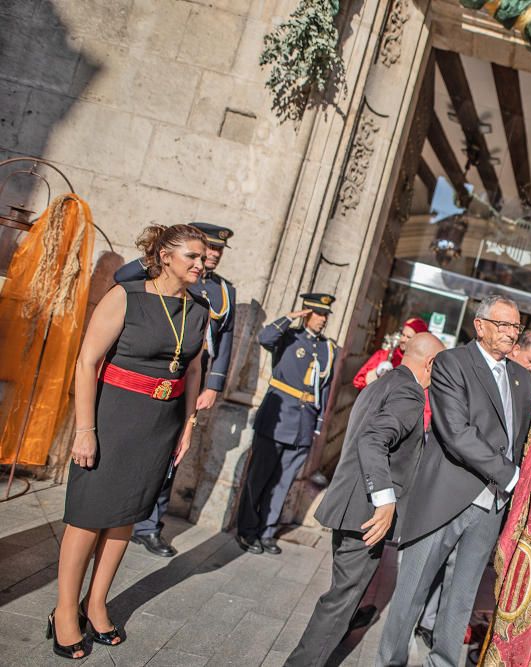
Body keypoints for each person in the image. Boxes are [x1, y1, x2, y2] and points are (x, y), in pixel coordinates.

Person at [52, 224, 209, 659]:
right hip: (114, 417)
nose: (202, 264)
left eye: (204, 257)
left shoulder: (199, 308)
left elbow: (193, 369)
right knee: (88, 515)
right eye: (193, 256)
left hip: (161, 424)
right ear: (165, 257)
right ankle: (65, 610)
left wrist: (188, 423)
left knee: (126, 515)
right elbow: (87, 362)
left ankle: (95, 603)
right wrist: (85, 429)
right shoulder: (127, 295)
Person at [376, 295, 531, 667]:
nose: (511, 333)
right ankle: (389, 662)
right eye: (503, 325)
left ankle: (444, 662)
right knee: (411, 594)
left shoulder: (522, 378)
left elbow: (524, 437)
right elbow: (456, 433)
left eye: (516, 326)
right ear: (480, 326)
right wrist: (512, 475)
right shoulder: (452, 363)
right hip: (446, 498)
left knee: (461, 599)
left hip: (491, 506)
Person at [286, 333, 445, 666]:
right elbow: (373, 440)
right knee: (341, 600)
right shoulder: (410, 393)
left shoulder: (385, 382)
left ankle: (344, 626)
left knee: (345, 593)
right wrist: (385, 501)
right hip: (367, 512)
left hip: (350, 504)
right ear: (430, 363)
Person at [410, 326, 531, 650]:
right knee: (430, 563)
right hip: (457, 485)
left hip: (491, 497)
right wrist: (510, 476)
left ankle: (433, 626)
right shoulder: (471, 371)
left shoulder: (521, 386)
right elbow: (462, 432)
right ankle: (413, 625)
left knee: (460, 574)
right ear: (514, 349)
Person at [115, 222, 237, 558]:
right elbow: (121, 278)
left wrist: (214, 384)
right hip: (155, 368)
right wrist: (159, 253)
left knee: (172, 452)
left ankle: (149, 525)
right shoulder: (162, 273)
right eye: (204, 250)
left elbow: (225, 340)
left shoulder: (224, 291)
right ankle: (120, 512)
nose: (211, 256)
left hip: (192, 373)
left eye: (217, 251)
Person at [235, 292, 337, 555]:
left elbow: (324, 390)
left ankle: (267, 531)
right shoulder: (288, 337)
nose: (323, 319)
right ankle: (247, 530)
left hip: (303, 424)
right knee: (258, 478)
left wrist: (317, 425)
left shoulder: (327, 349)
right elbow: (264, 337)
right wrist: (287, 319)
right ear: (306, 313)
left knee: (283, 481)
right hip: (276, 419)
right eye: (318, 314)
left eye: (325, 315)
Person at [353, 317, 429, 390]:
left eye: (408, 337)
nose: (403, 339)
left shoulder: (420, 368)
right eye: (403, 335)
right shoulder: (383, 355)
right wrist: (376, 373)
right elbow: (358, 381)